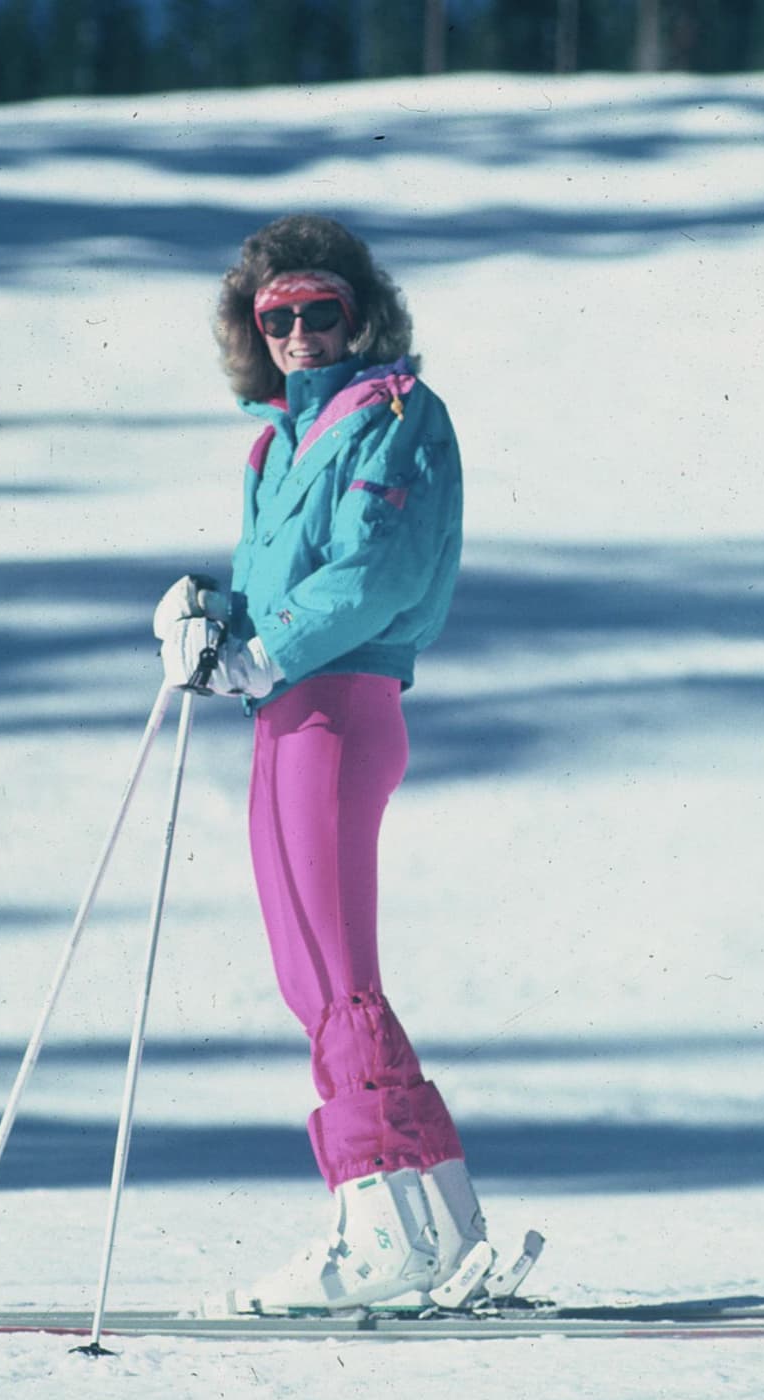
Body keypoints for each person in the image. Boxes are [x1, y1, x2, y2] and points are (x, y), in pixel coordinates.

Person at [153, 214, 491, 1313]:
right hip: (284, 712)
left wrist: (266, 646)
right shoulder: (274, 446)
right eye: (276, 315)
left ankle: (380, 1222)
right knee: (314, 972)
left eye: (319, 310)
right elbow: (273, 585)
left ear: (362, 314)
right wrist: (209, 617)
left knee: (334, 970)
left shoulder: (394, 416)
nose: (298, 333)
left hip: (337, 705)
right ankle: (433, 1216)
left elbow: (376, 571)